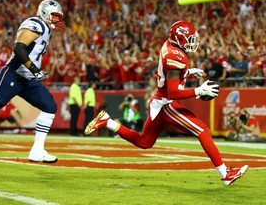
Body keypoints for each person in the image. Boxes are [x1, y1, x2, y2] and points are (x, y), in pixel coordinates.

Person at [85, 21, 248, 186]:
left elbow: (166, 72)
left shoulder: (169, 46)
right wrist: (199, 91)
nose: (193, 42)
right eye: (190, 39)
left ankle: (108, 121)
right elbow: (173, 92)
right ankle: (224, 173)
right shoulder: (175, 56)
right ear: (180, 39)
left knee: (145, 142)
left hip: (160, 100)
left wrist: (187, 72)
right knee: (203, 130)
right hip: (167, 103)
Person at [0, 0, 64, 163]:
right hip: (13, 75)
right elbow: (19, 48)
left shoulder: (46, 29)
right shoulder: (35, 23)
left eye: (58, 16)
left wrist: (33, 72)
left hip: (28, 80)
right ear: (44, 12)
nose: (57, 20)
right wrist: (34, 69)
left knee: (49, 106)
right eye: (54, 15)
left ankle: (37, 151)